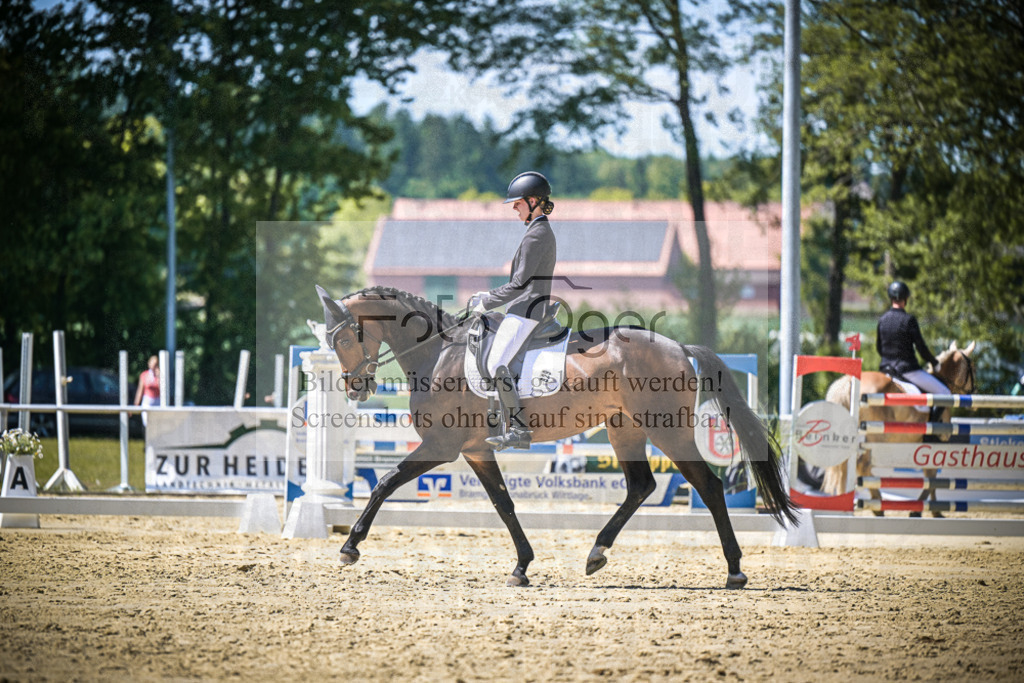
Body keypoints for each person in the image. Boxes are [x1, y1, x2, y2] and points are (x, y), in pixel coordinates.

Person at [469, 171, 557, 451]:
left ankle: (519, 429)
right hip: (524, 307)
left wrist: (486, 303)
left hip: (526, 310)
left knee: (496, 364)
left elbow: (519, 285)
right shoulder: (536, 232)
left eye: (518, 203)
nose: (515, 209)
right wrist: (488, 295)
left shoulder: (537, 235)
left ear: (533, 201)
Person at [876, 281, 949, 396]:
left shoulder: (882, 320)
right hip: (908, 371)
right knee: (945, 392)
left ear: (891, 298)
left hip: (886, 370)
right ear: (906, 298)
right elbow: (921, 348)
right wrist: (934, 363)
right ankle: (933, 415)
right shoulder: (909, 320)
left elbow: (879, 348)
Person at [134, 355, 161, 426]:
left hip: (157, 401)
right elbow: (140, 390)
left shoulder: (160, 375)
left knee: (157, 424)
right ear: (149, 364)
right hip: (147, 401)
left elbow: (163, 389)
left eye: (156, 364)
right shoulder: (144, 375)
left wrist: (159, 377)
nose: (154, 365)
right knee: (147, 423)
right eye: (152, 363)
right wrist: (136, 404)